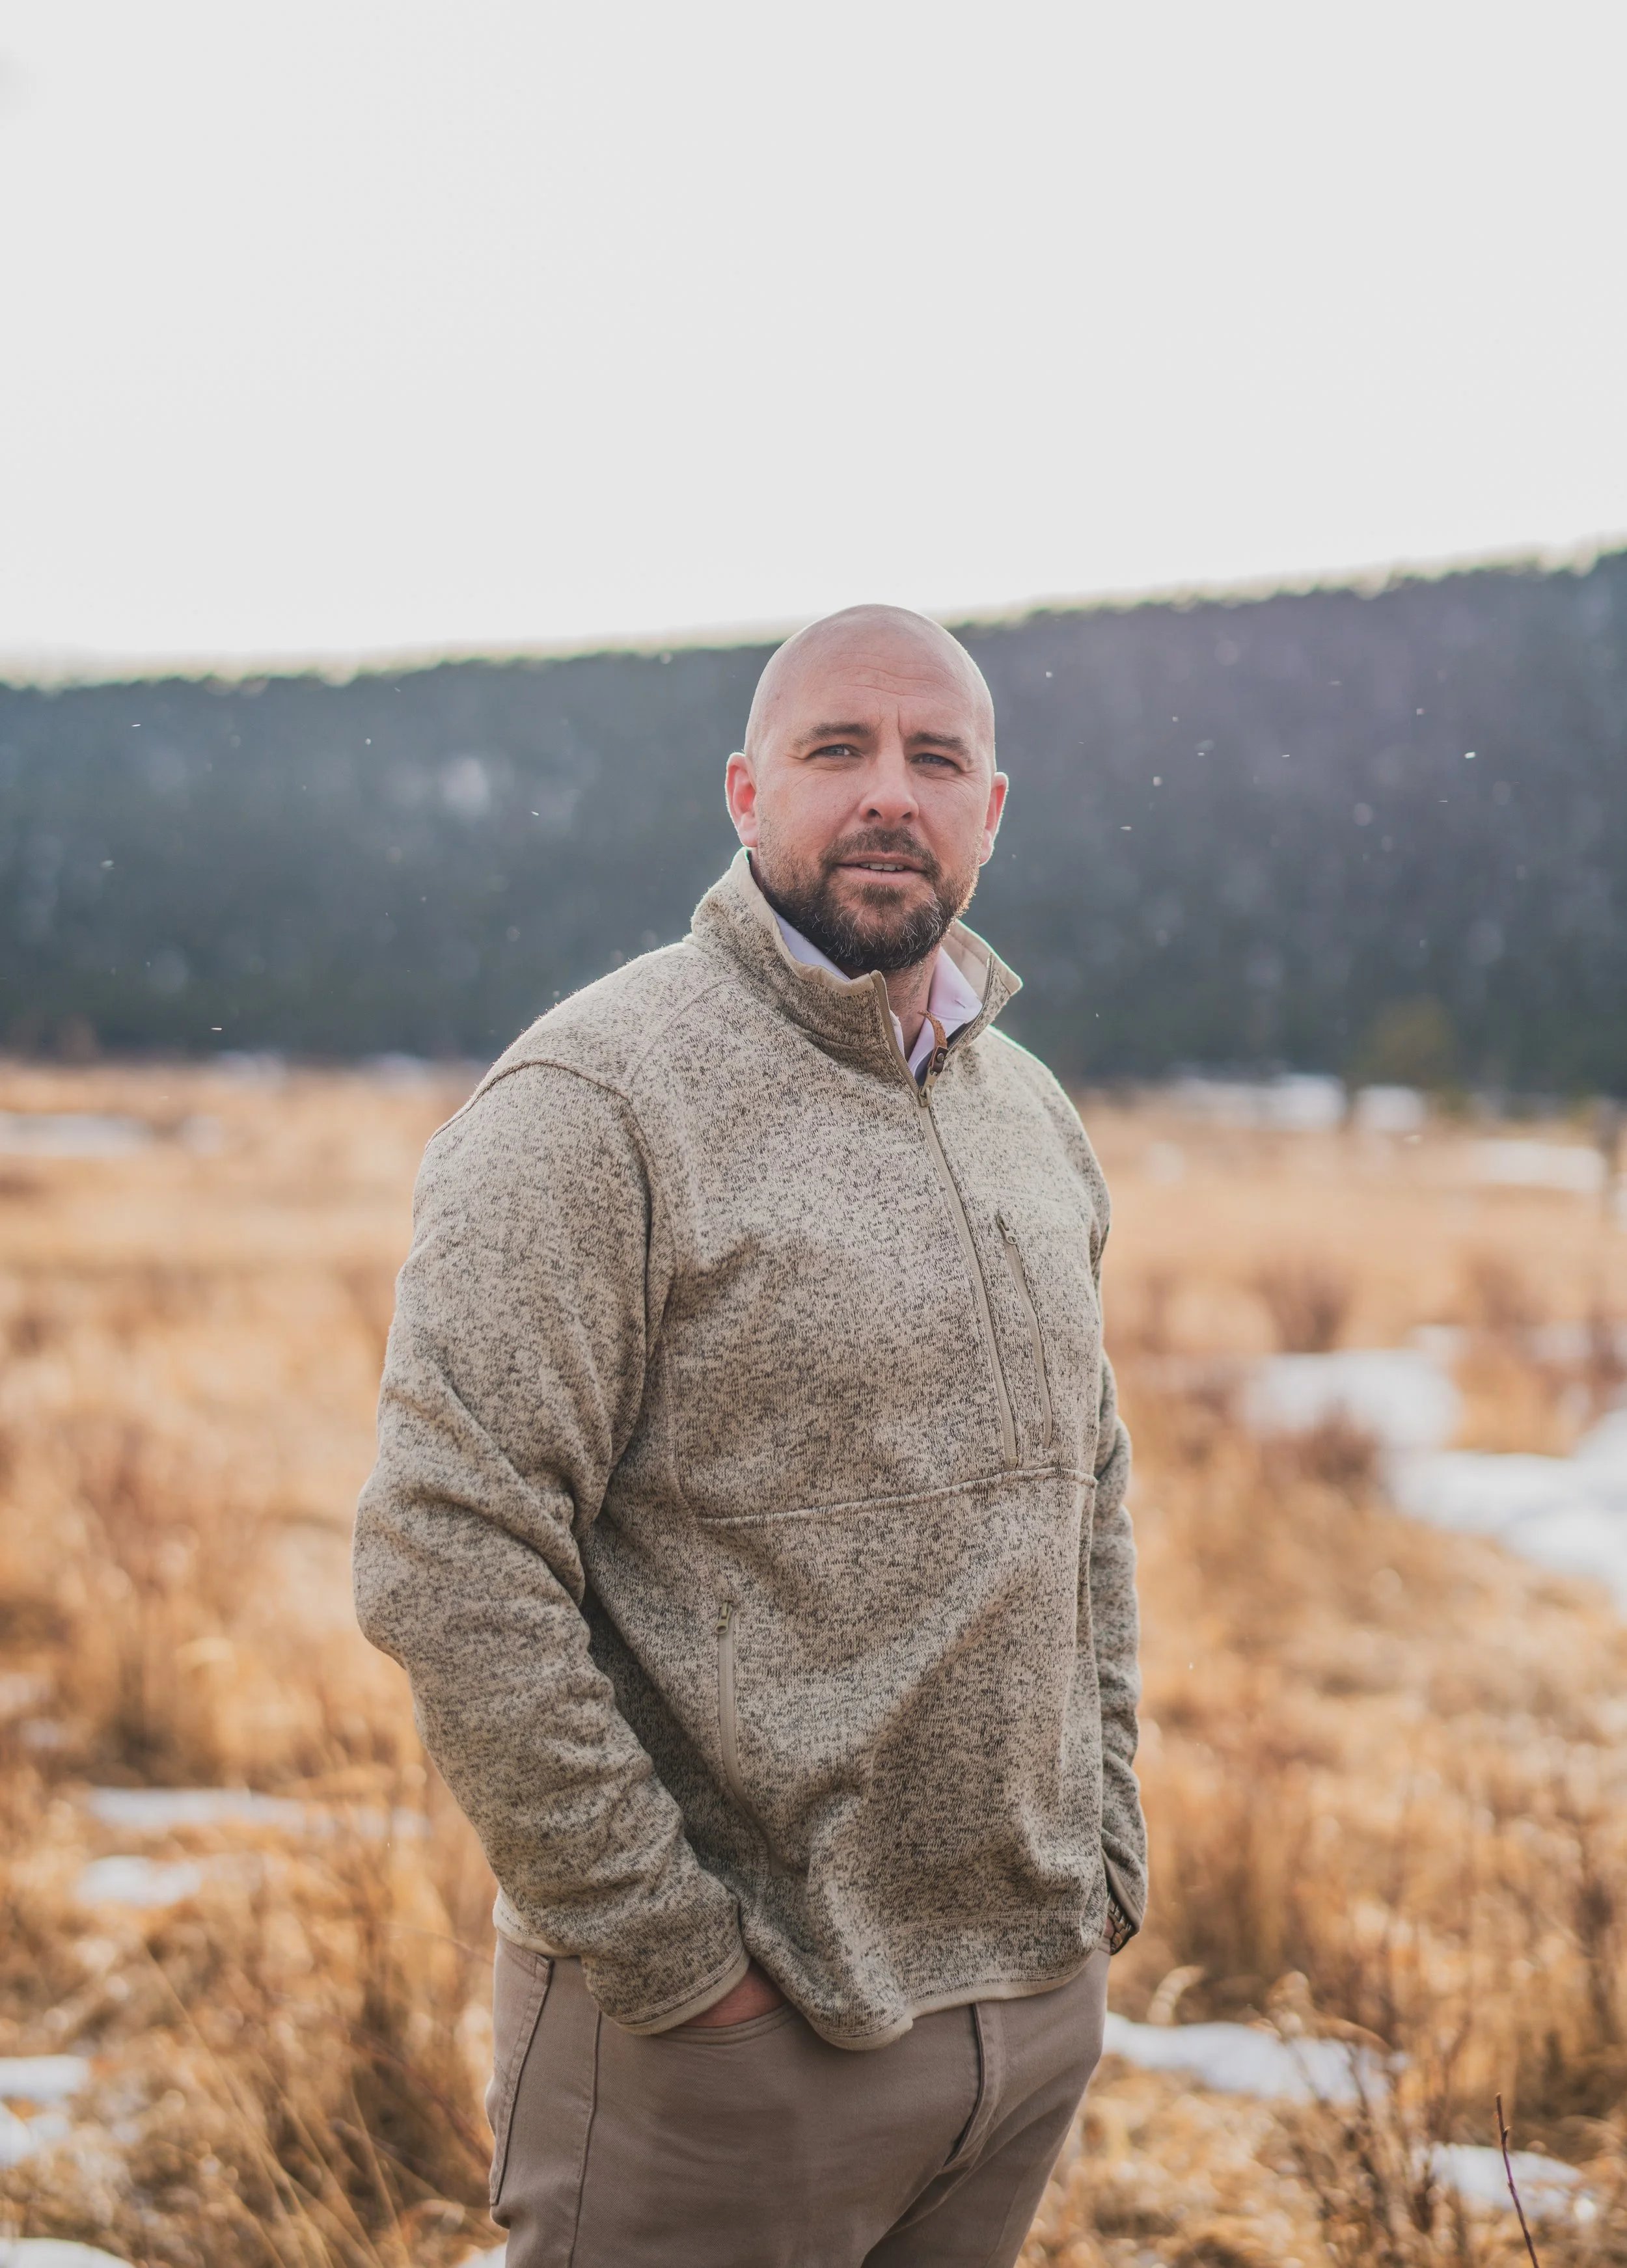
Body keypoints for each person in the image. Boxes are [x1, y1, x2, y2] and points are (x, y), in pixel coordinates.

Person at [353, 604, 1146, 2267]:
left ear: (990, 811)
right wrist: (673, 1969)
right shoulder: (597, 1101)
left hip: (1018, 2017)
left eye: (935, 759)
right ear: (742, 792)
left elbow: (1089, 1493)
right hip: (718, 2060)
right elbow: (445, 1550)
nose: (888, 795)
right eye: (834, 751)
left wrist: (1103, 1853)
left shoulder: (1029, 1115)